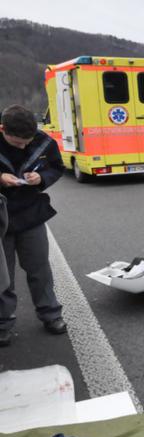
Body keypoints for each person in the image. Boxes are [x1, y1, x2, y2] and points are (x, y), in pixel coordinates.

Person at [0, 104, 66, 347]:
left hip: (30, 215)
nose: (24, 147)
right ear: (3, 129)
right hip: (1, 219)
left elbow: (57, 168)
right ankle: (3, 323)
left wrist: (42, 178)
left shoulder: (44, 142)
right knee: (2, 275)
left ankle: (51, 314)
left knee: (39, 268)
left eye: (27, 141)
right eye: (18, 143)